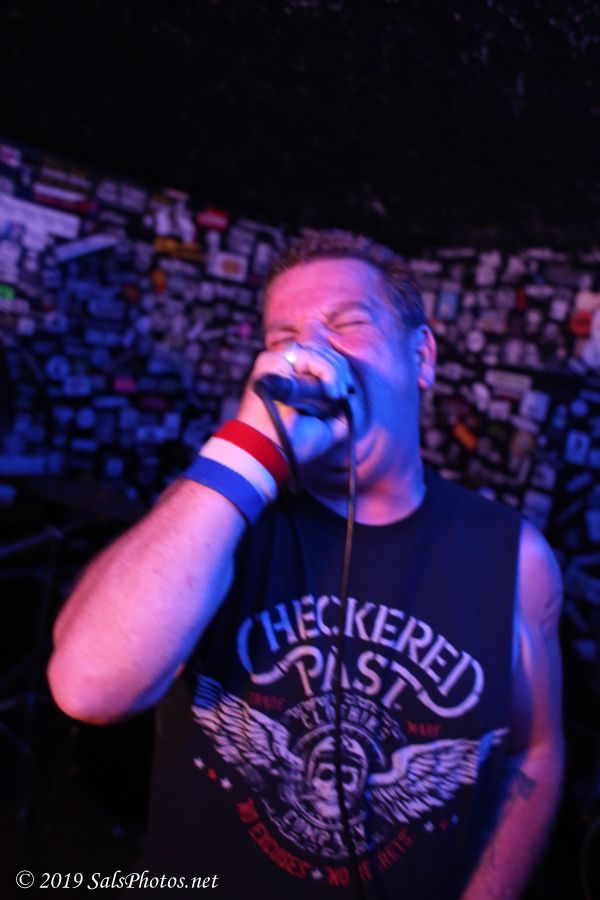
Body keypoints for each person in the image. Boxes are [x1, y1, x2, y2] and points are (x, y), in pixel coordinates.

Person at [48, 230, 564, 899]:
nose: (310, 351)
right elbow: (89, 689)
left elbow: (533, 751)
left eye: (347, 324)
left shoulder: (514, 556)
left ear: (422, 357)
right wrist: (247, 451)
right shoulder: (217, 522)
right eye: (283, 336)